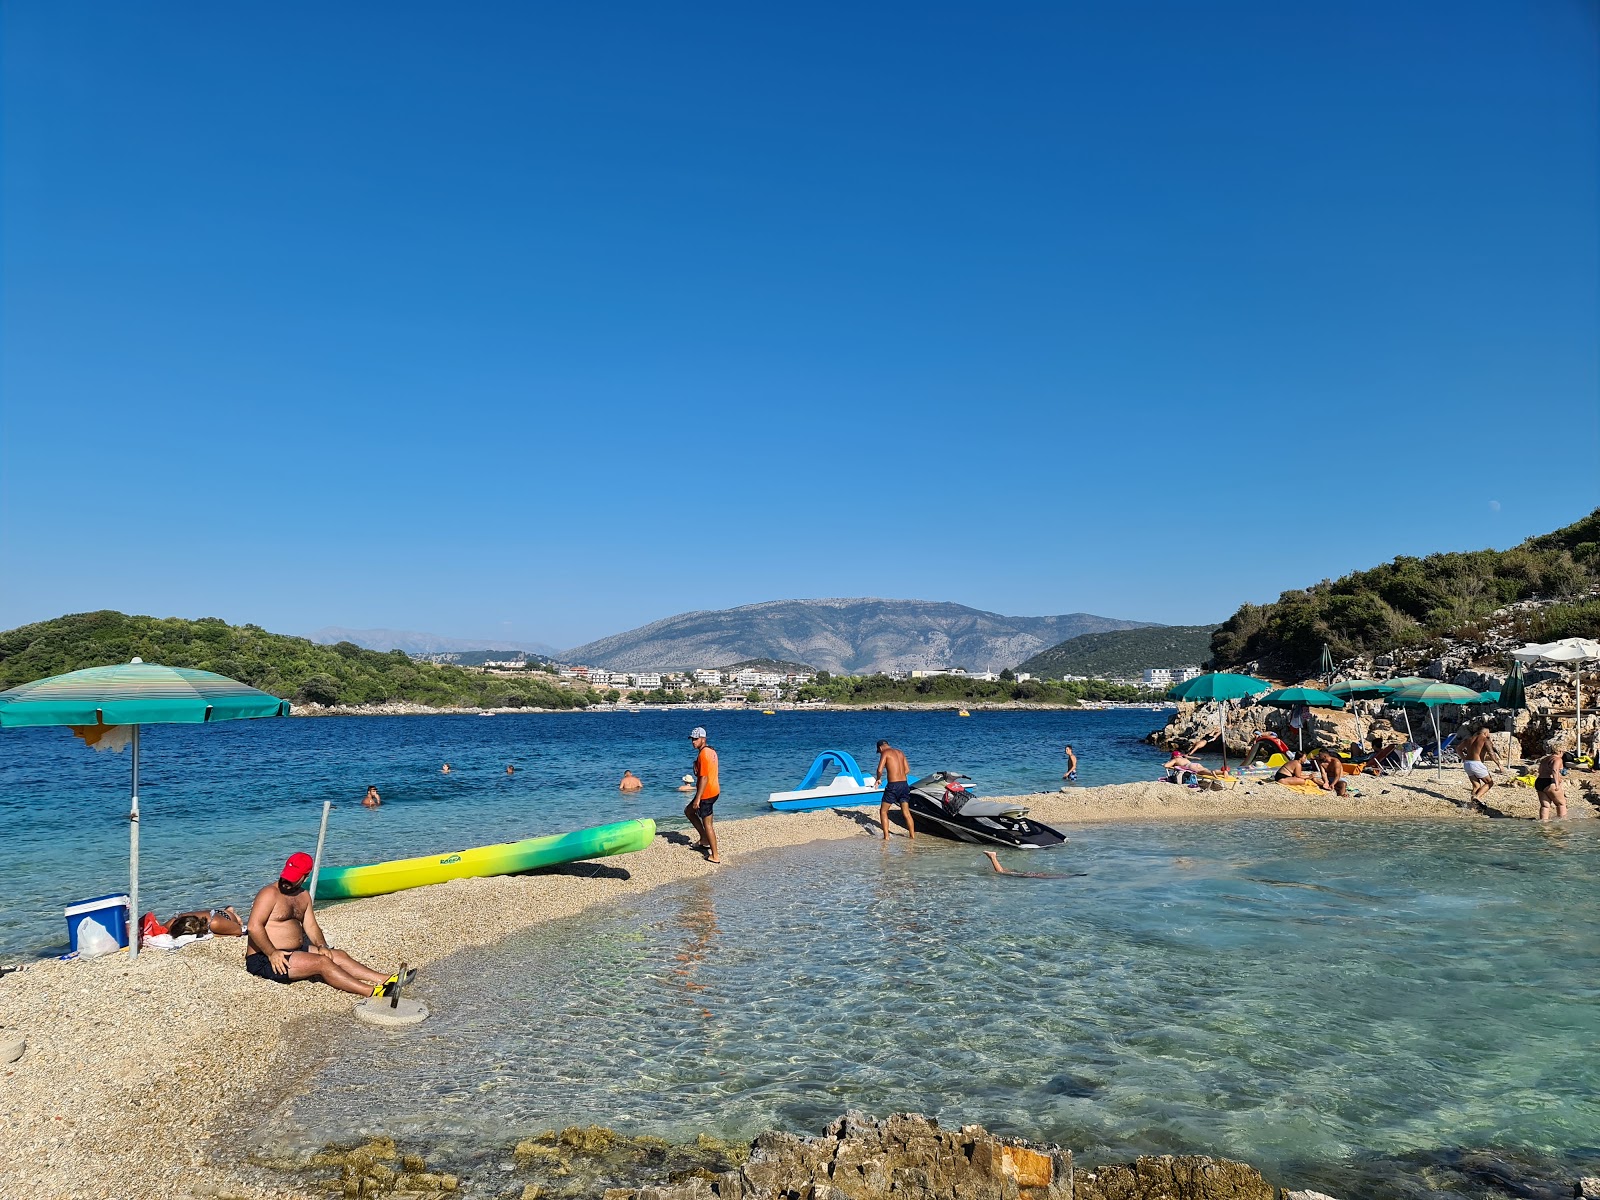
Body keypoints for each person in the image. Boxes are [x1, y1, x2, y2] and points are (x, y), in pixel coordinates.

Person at [244, 853, 411, 997]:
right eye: (286, 876)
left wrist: (321, 945)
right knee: (322, 963)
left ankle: (386, 979)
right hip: (265, 958)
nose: (286, 882)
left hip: (295, 951)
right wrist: (272, 953)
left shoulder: (304, 896)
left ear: (305, 877)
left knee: (338, 955)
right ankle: (371, 991)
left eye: (292, 879)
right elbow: (253, 926)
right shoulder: (269, 894)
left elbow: (311, 926)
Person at [684, 727, 721, 864]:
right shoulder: (712, 751)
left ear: (703, 739)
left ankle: (715, 855)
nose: (693, 742)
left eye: (696, 739)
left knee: (708, 824)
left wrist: (698, 798)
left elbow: (704, 778)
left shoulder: (703, 754)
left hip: (706, 793)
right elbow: (708, 772)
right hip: (714, 790)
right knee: (689, 811)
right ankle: (704, 838)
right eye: (692, 739)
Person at [874, 739, 915, 840]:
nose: (880, 753)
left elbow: (879, 769)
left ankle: (886, 837)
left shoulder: (885, 753)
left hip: (893, 786)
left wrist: (878, 779)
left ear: (880, 748)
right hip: (904, 785)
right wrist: (898, 774)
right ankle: (912, 836)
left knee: (883, 811)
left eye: (879, 752)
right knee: (906, 812)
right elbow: (907, 770)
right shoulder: (900, 752)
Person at [1459, 724, 1502, 807]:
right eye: (1488, 733)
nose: (1489, 735)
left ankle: (1472, 806)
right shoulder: (1485, 740)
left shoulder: (1469, 739)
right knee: (1489, 783)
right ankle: (1477, 797)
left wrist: (1464, 758)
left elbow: (1458, 748)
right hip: (1476, 764)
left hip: (1467, 764)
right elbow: (1491, 753)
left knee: (1476, 786)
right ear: (1485, 732)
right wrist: (1499, 765)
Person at [1535, 741, 1568, 821]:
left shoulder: (1544, 759)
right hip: (1549, 782)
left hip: (1539, 781)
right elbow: (1554, 769)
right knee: (1561, 804)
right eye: (1563, 752)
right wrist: (1557, 784)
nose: (1563, 754)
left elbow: (1540, 770)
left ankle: (1543, 823)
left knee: (1545, 805)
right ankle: (1562, 824)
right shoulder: (1557, 759)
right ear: (1560, 751)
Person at [162, 907, 245, 938]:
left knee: (236, 923)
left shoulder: (214, 924)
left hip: (225, 916)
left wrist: (215, 935)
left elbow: (238, 931)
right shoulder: (175, 921)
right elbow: (159, 929)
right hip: (208, 915)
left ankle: (230, 911)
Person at [983, 850, 1065, 878]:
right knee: (1001, 873)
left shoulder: (1059, 876)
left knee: (1004, 872)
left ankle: (993, 862)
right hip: (1030, 875)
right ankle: (993, 857)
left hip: (1031, 875)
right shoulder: (1059, 877)